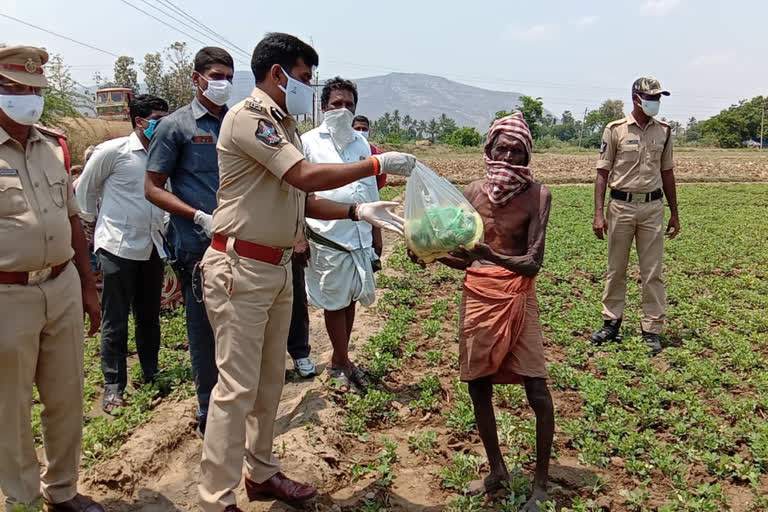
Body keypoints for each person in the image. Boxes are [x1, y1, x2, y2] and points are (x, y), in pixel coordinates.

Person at [198, 33, 415, 511]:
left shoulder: (284, 125)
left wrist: (359, 214)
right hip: (241, 267)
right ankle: (216, 498)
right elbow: (304, 177)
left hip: (273, 268)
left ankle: (260, 471)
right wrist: (375, 163)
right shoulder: (251, 119)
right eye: (303, 76)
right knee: (235, 387)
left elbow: (303, 198)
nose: (308, 86)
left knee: (270, 380)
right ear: (277, 74)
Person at [415, 112, 555, 511]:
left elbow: (532, 262)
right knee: (478, 384)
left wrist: (491, 255)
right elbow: (468, 259)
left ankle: (541, 484)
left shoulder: (538, 195)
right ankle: (497, 470)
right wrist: (432, 255)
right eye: (502, 148)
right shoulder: (473, 192)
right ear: (488, 150)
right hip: (479, 295)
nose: (508, 156)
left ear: (527, 156)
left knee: (537, 389)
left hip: (518, 295)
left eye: (517, 150)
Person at [0, 45, 104, 512]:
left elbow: (72, 220)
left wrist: (86, 285)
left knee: (66, 399)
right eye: (16, 89)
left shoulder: (54, 146)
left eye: (35, 90)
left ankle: (61, 491)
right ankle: (21, 498)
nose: (28, 98)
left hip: (61, 286)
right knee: (9, 406)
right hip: (7, 296)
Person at [145, 46, 234, 437]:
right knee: (203, 328)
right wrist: (197, 215)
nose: (223, 83)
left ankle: (235, 404)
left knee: (237, 327)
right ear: (196, 78)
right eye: (215, 76)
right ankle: (207, 408)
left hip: (240, 242)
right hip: (196, 246)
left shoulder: (236, 123)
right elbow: (152, 188)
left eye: (228, 76)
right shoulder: (176, 127)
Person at [77, 94, 169, 413]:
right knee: (115, 319)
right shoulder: (113, 152)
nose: (163, 125)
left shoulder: (164, 154)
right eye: (158, 119)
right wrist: (89, 226)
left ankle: (151, 373)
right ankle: (114, 387)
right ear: (139, 122)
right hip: (117, 246)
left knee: (148, 317)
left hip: (152, 245)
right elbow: (84, 189)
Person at [301, 77, 382, 392]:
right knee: (335, 301)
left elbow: (369, 189)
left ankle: (341, 358)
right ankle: (339, 362)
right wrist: (298, 237)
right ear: (323, 108)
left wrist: (376, 233)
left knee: (351, 298)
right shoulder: (309, 143)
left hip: (358, 234)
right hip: (327, 235)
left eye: (349, 105)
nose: (343, 110)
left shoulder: (361, 144)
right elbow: (299, 194)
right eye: (337, 104)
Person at [589, 77, 680, 355]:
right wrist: (598, 213)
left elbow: (667, 173)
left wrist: (675, 212)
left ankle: (652, 328)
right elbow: (602, 173)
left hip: (653, 207)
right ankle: (611, 322)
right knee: (616, 268)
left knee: (652, 271)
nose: (656, 102)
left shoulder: (664, 131)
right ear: (636, 98)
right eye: (651, 97)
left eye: (659, 97)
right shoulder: (615, 130)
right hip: (621, 207)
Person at [352, 114, 387, 190]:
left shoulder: (376, 153)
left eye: (364, 129)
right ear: (351, 130)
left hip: (369, 195)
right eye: (357, 128)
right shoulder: (345, 151)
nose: (361, 132)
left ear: (368, 131)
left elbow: (381, 178)